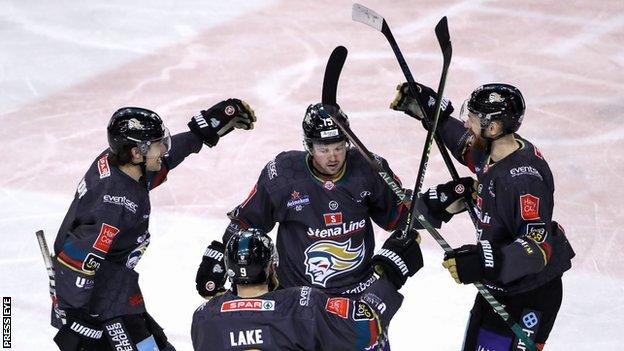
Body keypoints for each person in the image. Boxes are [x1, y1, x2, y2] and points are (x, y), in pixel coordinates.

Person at [50, 100, 256, 351]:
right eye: (158, 143)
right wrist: (76, 318)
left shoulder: (120, 163)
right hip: (100, 306)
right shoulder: (114, 206)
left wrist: (199, 134)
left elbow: (165, 160)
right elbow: (78, 260)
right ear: (137, 153)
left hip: (118, 290)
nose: (164, 148)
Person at [390, 82, 575, 350]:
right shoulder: (492, 151)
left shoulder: (523, 180)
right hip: (499, 285)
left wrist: (486, 261)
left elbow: (537, 246)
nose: (467, 124)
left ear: (494, 128)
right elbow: (464, 145)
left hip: (529, 294)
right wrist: (434, 115)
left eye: (474, 119)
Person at [195, 102, 438, 300]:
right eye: (323, 149)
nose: (333, 157)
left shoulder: (368, 168)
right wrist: (218, 256)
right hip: (295, 296)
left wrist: (438, 202)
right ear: (309, 146)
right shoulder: (283, 174)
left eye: (339, 147)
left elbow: (397, 215)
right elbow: (248, 222)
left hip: (358, 295)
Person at [191, 227, 423, 351]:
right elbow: (366, 328)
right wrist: (391, 272)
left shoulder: (203, 317)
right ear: (271, 267)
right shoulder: (302, 304)